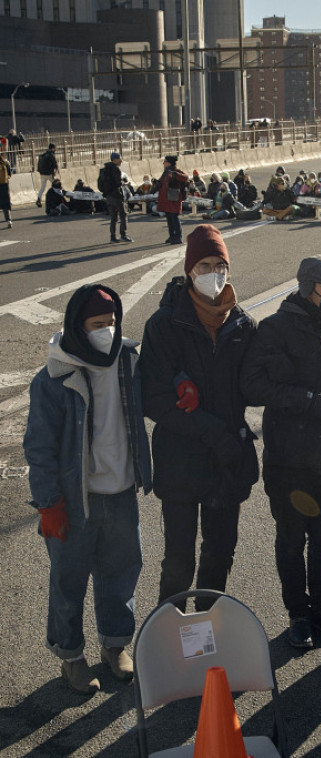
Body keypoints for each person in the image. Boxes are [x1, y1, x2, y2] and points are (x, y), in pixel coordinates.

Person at [24, 284, 152, 694]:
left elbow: (160, 387)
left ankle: (115, 646)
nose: (107, 331)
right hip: (73, 500)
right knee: (69, 580)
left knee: (120, 574)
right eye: (97, 324)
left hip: (121, 491)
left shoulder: (127, 361)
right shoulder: (54, 377)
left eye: (112, 322)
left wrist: (182, 383)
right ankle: (71, 656)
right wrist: (48, 504)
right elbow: (39, 447)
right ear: (79, 327)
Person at [242, 255, 321, 647]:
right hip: (291, 461)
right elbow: (253, 385)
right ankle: (297, 613)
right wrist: (310, 401)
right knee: (292, 540)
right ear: (309, 289)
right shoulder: (275, 330)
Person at [140, 225, 258, 612]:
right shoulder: (164, 324)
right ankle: (168, 633)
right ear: (190, 270)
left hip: (228, 460)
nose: (214, 273)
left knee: (220, 553)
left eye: (220, 265)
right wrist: (212, 431)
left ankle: (207, 628)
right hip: (180, 460)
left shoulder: (242, 324)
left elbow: (253, 387)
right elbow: (153, 400)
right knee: (178, 560)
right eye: (205, 265)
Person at [98, 153, 131, 244]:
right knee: (123, 215)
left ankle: (113, 236)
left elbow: (100, 185)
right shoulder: (116, 169)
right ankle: (123, 235)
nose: (121, 162)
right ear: (115, 160)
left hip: (108, 196)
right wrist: (123, 182)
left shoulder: (104, 170)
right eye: (120, 159)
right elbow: (117, 183)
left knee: (113, 217)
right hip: (117, 195)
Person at [155, 155, 188, 245]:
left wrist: (174, 174)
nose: (163, 164)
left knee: (174, 218)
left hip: (174, 198)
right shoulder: (165, 172)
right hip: (167, 199)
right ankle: (172, 236)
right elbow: (161, 182)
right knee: (169, 218)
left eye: (165, 162)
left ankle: (178, 237)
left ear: (169, 163)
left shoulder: (175, 171)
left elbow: (185, 177)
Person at [36, 143, 59, 208]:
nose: (55, 150)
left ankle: (38, 199)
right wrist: (56, 170)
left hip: (42, 174)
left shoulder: (43, 155)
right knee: (56, 185)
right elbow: (55, 164)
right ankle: (59, 198)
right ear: (52, 148)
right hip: (49, 174)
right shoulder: (51, 155)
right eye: (54, 148)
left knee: (42, 187)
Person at [0, 152, 12, 228]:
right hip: (4, 185)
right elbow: (9, 174)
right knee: (5, 204)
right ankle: (9, 220)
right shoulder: (6, 162)